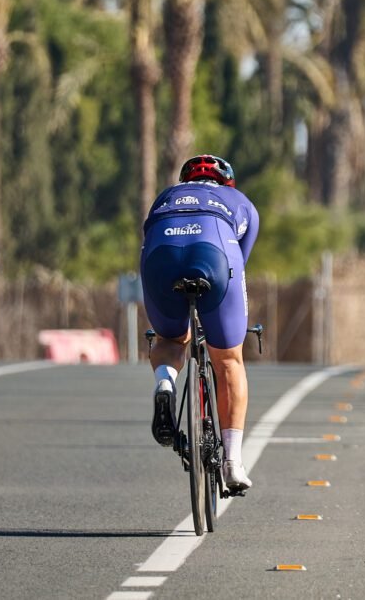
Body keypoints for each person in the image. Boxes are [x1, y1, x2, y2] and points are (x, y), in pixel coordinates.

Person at [140, 154, 259, 492]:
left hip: (160, 257)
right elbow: (239, 262)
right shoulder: (239, 201)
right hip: (214, 253)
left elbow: (147, 242)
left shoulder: (166, 196)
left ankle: (165, 383)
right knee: (228, 359)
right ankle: (232, 463)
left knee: (170, 339)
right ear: (226, 183)